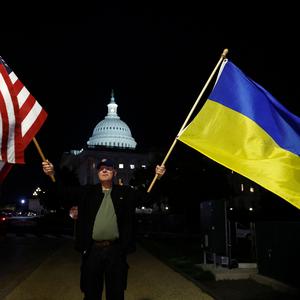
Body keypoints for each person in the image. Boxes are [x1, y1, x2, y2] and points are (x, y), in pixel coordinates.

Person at [42, 157, 166, 300]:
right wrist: (51, 174)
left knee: (116, 293)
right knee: (91, 293)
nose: (104, 170)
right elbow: (62, 193)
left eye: (108, 168)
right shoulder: (87, 192)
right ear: (98, 173)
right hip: (92, 251)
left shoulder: (125, 193)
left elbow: (147, 199)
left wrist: (158, 178)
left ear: (114, 172)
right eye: (101, 168)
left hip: (116, 251)